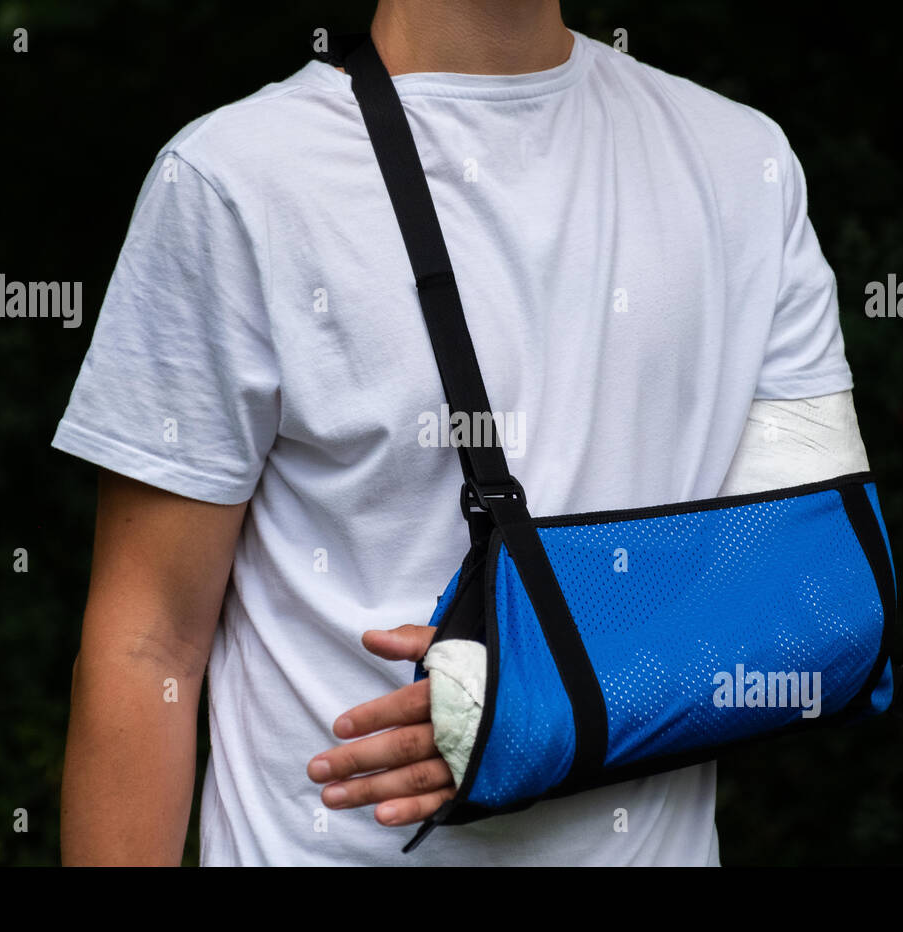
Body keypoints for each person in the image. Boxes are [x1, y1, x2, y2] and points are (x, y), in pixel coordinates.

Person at [54, 0, 860, 865]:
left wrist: (527, 709)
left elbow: (823, 607)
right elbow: (149, 646)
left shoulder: (744, 164)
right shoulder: (234, 181)